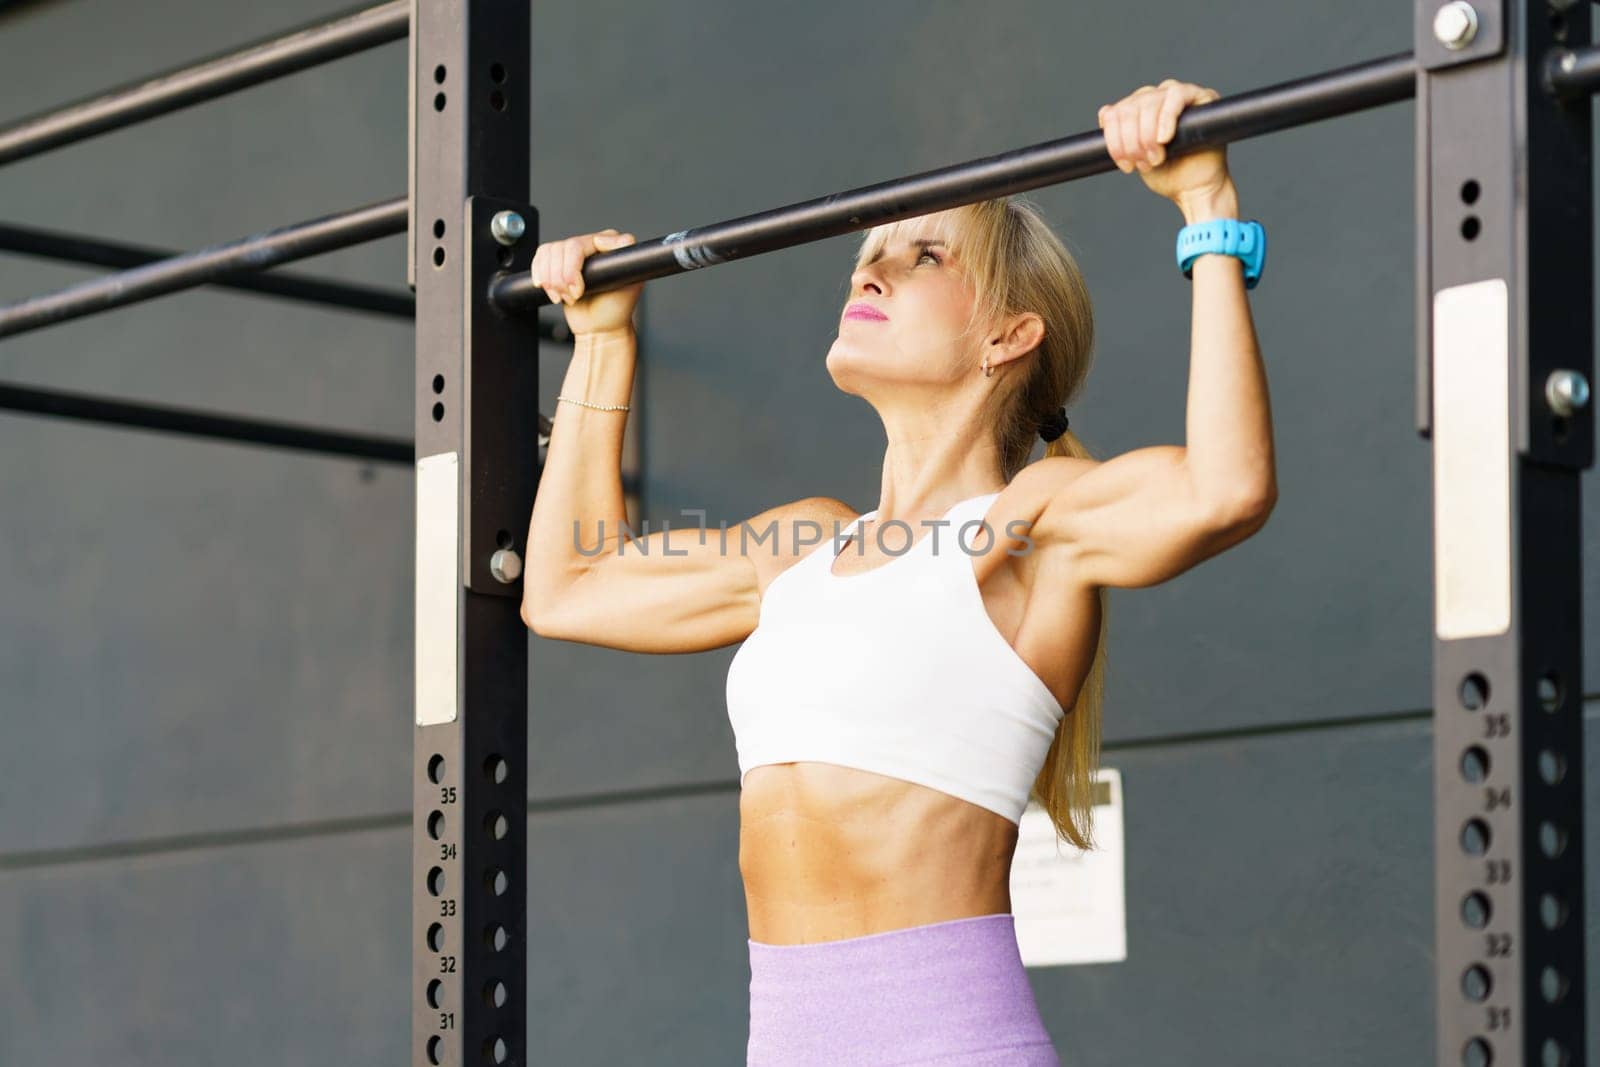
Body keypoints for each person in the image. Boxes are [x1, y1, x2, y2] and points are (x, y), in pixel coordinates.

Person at [520, 78, 1275, 1067]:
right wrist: (604, 340)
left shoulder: (1031, 523)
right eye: (868, 254)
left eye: (921, 257)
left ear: (1008, 334)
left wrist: (1204, 204)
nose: (870, 274)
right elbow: (569, 583)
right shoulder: (800, 549)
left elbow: (1225, 488)